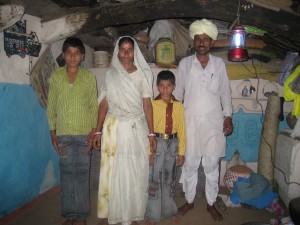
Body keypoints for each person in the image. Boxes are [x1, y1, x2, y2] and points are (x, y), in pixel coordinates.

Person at [173, 19, 233, 221]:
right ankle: (189, 201)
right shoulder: (184, 64)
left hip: (213, 125)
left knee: (211, 167)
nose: (201, 42)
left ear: (212, 43)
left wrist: (228, 117)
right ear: (194, 41)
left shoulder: (219, 65)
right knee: (189, 165)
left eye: (205, 39)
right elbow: (178, 94)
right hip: (189, 124)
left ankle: (210, 203)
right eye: (198, 38)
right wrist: (174, 121)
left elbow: (225, 93)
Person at [93, 36, 157, 225]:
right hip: (115, 130)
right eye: (123, 49)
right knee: (115, 174)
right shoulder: (110, 75)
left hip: (136, 130)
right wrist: (97, 131)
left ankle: (134, 214)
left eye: (130, 49)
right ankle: (116, 212)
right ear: (118, 52)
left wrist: (151, 133)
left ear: (134, 52)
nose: (126, 53)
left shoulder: (141, 75)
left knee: (137, 172)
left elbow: (147, 105)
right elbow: (104, 104)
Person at [47, 37, 98, 225]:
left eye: (77, 53)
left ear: (82, 56)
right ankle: (70, 215)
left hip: (84, 134)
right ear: (63, 55)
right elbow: (51, 105)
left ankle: (82, 216)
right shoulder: (56, 76)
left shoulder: (88, 77)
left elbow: (94, 106)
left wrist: (94, 132)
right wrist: (52, 132)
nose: (73, 57)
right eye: (69, 53)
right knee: (67, 175)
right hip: (64, 135)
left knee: (82, 175)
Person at [144, 70, 186, 225]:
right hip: (158, 143)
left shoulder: (179, 106)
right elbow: (149, 130)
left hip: (173, 145)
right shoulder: (153, 105)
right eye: (162, 86)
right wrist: (150, 151)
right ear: (157, 87)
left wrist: (181, 152)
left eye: (169, 86)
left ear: (174, 87)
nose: (165, 89)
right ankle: (152, 215)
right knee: (154, 179)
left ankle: (170, 211)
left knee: (169, 179)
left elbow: (182, 129)